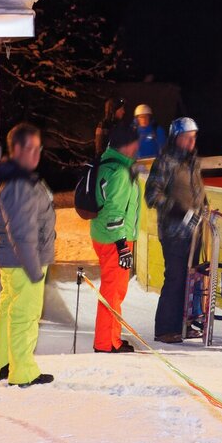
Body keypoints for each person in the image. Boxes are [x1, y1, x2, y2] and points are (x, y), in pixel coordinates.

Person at [0, 123, 56, 388]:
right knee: (24, 315)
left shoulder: (10, 177)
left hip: (12, 261)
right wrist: (34, 268)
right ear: (15, 149)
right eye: (30, 148)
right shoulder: (18, 183)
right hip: (24, 260)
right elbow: (22, 232)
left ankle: (2, 364)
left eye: (39, 148)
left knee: (9, 310)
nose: (36, 154)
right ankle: (23, 371)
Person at [145, 117, 208, 344]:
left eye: (194, 137)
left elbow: (197, 190)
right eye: (187, 137)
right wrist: (181, 214)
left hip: (195, 231)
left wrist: (205, 207)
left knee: (191, 280)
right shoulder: (165, 161)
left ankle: (184, 324)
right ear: (176, 138)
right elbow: (153, 195)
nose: (192, 142)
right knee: (175, 278)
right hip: (174, 233)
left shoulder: (192, 162)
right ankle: (164, 329)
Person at [90, 122, 141, 353]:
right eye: (135, 142)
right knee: (113, 291)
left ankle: (111, 338)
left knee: (112, 289)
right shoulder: (120, 172)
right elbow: (114, 212)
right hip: (114, 240)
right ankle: (107, 343)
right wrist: (122, 245)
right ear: (127, 145)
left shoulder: (106, 162)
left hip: (102, 235)